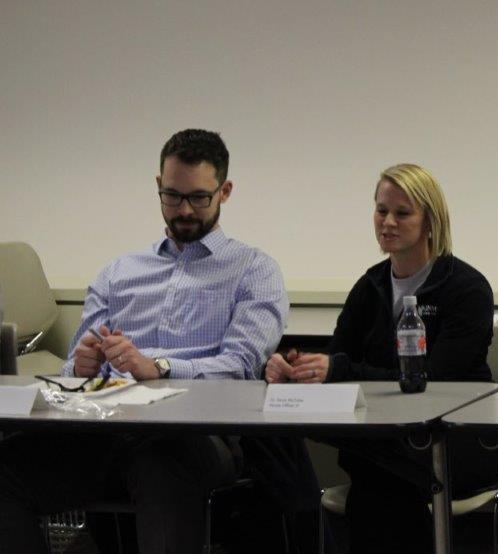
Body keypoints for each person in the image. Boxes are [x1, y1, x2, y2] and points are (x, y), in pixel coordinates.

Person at [0, 129, 290, 554]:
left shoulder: (253, 270)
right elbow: (73, 369)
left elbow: (242, 367)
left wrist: (159, 368)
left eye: (199, 198)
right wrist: (81, 366)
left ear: (225, 192)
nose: (184, 210)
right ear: (158, 186)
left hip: (197, 436)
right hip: (105, 433)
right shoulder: (119, 272)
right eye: (172, 196)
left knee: (161, 463)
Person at [265, 163, 496, 552]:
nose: (387, 222)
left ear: (430, 222)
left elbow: (436, 381)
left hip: (452, 441)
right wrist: (296, 367)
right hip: (383, 443)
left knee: (378, 484)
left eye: (402, 213)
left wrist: (339, 369)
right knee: (292, 450)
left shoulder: (466, 288)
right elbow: (339, 355)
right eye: (381, 210)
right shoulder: (371, 285)